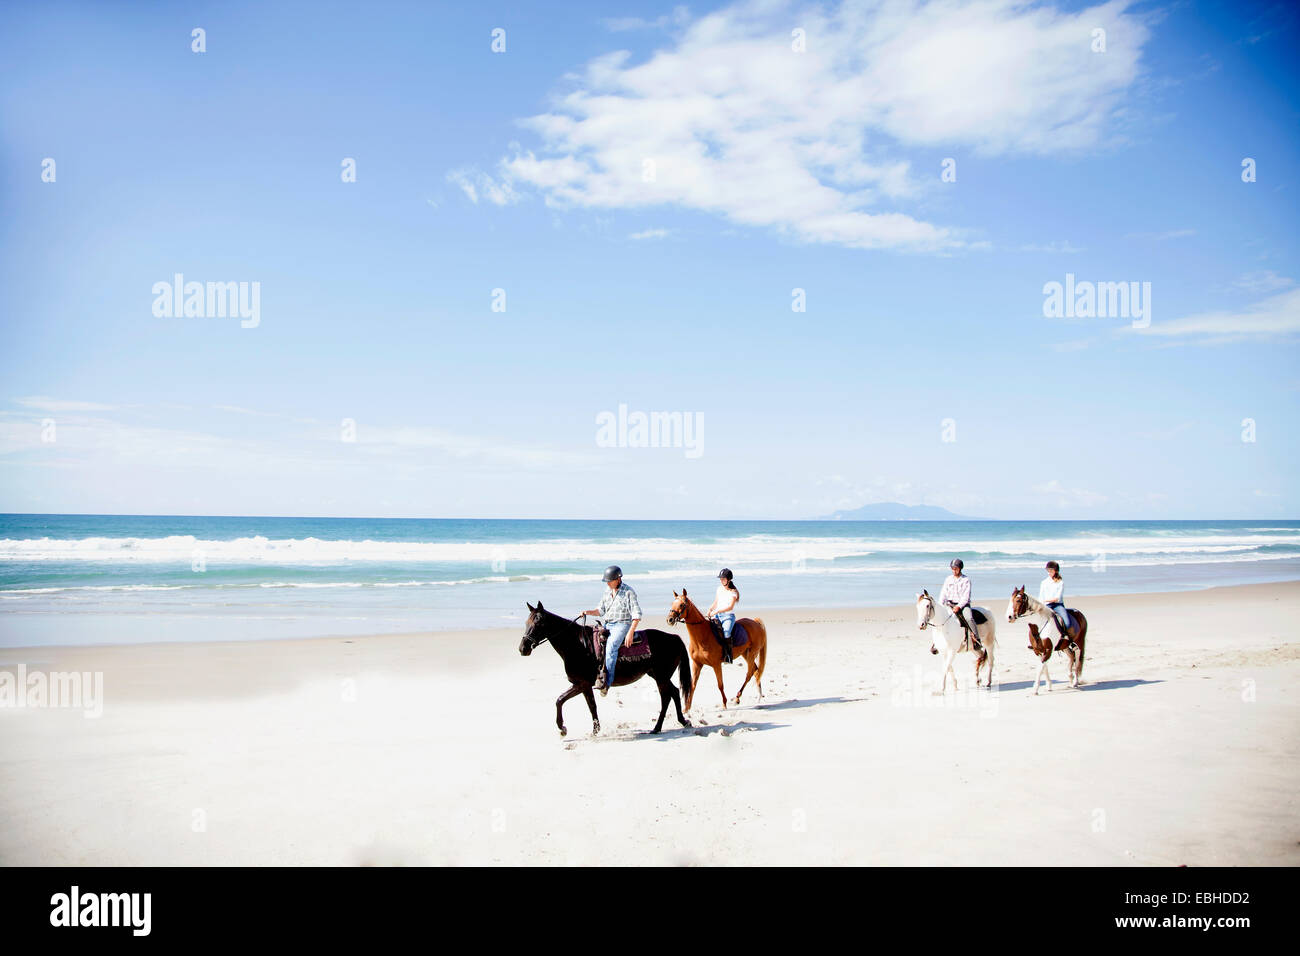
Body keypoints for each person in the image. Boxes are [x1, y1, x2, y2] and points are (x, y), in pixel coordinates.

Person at [580, 565, 641, 696]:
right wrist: (588, 612)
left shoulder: (629, 592)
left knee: (612, 646)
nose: (607, 583)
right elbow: (600, 611)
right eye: (606, 581)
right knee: (593, 640)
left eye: (610, 581)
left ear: (618, 579)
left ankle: (607, 682)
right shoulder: (607, 591)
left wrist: (630, 632)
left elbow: (637, 615)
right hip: (607, 624)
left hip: (622, 625)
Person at [940, 558, 980, 650]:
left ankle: (976, 640)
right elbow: (943, 593)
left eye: (956, 569)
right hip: (950, 604)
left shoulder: (966, 580)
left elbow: (966, 596)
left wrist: (958, 606)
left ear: (960, 569)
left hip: (963, 605)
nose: (954, 570)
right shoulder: (948, 579)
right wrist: (941, 604)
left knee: (969, 618)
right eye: (953, 569)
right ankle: (936, 642)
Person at [706, 568, 740, 663]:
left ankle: (728, 656)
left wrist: (716, 611)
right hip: (717, 615)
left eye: (723, 579)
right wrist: (710, 609)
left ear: (728, 580)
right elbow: (716, 602)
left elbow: (730, 607)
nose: (721, 580)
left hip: (728, 617)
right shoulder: (719, 589)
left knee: (726, 633)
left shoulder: (733, 592)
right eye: (720, 579)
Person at [1038, 560, 1073, 642]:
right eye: (1048, 570)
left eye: (1051, 570)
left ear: (1056, 571)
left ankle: (1068, 639)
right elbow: (1040, 596)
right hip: (1046, 606)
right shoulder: (1044, 582)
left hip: (1057, 606)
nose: (1049, 572)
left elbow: (1057, 598)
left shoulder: (1060, 583)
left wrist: (1045, 600)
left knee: (1067, 622)